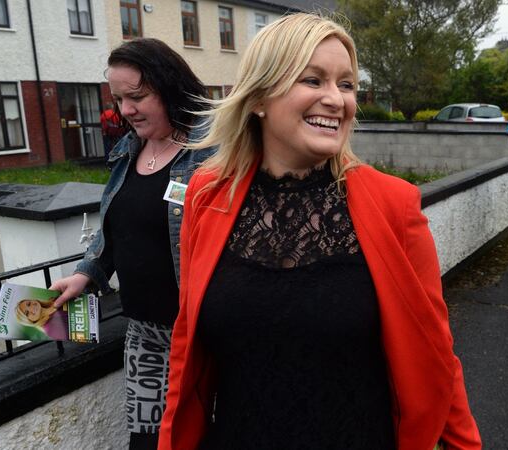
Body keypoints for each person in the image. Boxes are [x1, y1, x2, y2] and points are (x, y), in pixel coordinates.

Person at [158, 13, 481, 450]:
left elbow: (435, 353)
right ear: (259, 98)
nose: (336, 99)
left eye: (346, 85)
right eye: (313, 80)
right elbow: (187, 344)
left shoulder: (394, 204)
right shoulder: (207, 196)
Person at [49, 38, 214, 448]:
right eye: (119, 99)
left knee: (204, 438)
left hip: (202, 337)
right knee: (146, 442)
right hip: (144, 335)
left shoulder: (211, 151)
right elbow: (118, 227)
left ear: (171, 87)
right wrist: (85, 274)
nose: (126, 110)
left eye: (137, 97)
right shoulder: (128, 151)